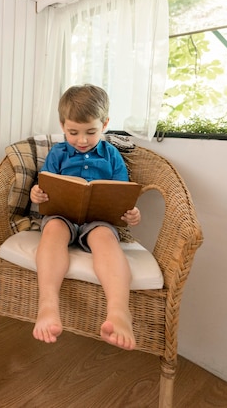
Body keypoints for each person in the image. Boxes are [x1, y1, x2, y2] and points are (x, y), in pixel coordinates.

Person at [29, 84, 141, 350]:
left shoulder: (112, 155)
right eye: (72, 132)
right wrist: (37, 194)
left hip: (99, 220)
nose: (81, 140)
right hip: (61, 215)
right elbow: (44, 186)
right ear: (62, 125)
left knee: (105, 239)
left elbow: (122, 195)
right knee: (53, 230)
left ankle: (119, 311)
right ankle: (47, 305)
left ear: (105, 124)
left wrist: (131, 213)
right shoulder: (58, 153)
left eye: (91, 132)